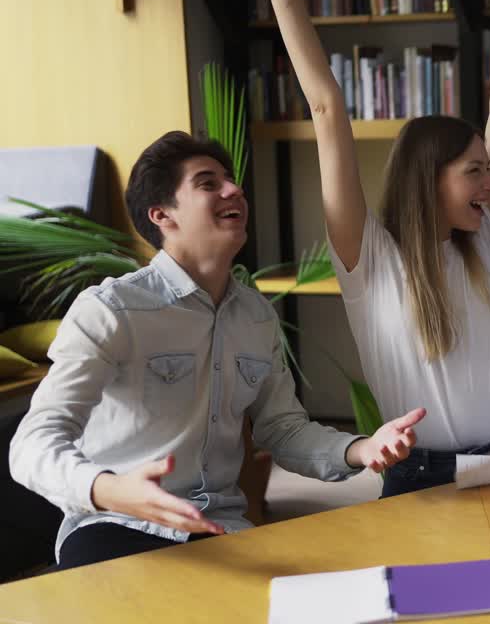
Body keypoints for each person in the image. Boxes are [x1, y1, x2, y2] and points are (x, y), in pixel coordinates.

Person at [210, 0, 490, 497]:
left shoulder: (484, 237)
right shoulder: (367, 255)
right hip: (424, 474)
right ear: (429, 178)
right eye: (475, 172)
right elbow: (325, 105)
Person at [8, 130, 424, 570]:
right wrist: (110, 488)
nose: (234, 190)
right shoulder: (111, 311)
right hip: (117, 523)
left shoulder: (257, 315)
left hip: (219, 526)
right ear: (162, 215)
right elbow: (32, 444)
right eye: (208, 183)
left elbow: (282, 429)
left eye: (231, 179)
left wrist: (362, 448)